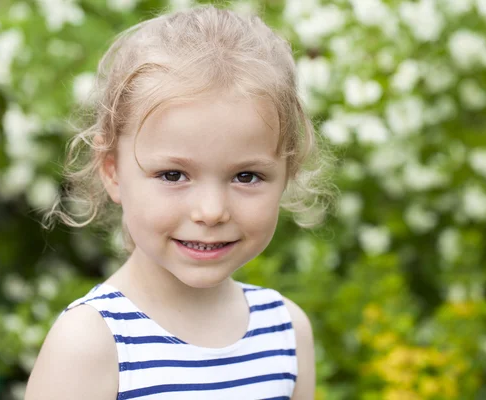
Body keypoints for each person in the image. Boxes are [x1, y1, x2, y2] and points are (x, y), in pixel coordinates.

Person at [26, 5, 333, 400]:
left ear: (287, 174)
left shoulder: (286, 331)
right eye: (173, 175)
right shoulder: (92, 342)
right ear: (113, 172)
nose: (210, 211)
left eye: (246, 176)